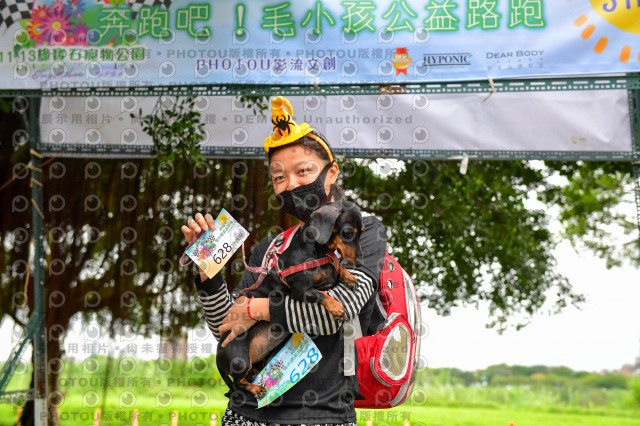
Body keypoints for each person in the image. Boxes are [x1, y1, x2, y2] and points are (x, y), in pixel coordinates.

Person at [181, 96, 388, 425]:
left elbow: (336, 312)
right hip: (245, 412)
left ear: (331, 173)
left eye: (303, 171)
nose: (291, 184)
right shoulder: (270, 249)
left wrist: (257, 309)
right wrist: (209, 268)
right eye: (279, 177)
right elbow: (227, 330)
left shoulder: (363, 231)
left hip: (321, 415)